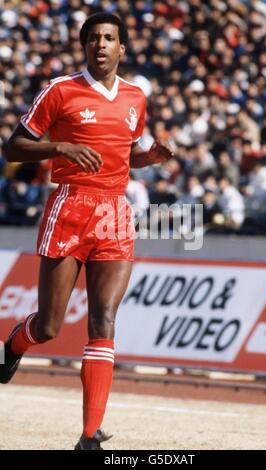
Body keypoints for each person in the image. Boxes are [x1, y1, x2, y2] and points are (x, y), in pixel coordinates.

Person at [0, 12, 173, 450]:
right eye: (93, 37)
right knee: (51, 327)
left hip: (115, 212)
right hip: (70, 206)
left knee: (104, 320)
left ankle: (89, 436)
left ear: (122, 48)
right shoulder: (60, 91)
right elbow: (12, 147)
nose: (101, 44)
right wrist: (59, 146)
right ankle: (16, 344)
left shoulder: (136, 97)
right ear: (84, 46)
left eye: (109, 38)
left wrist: (149, 158)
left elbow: (124, 154)